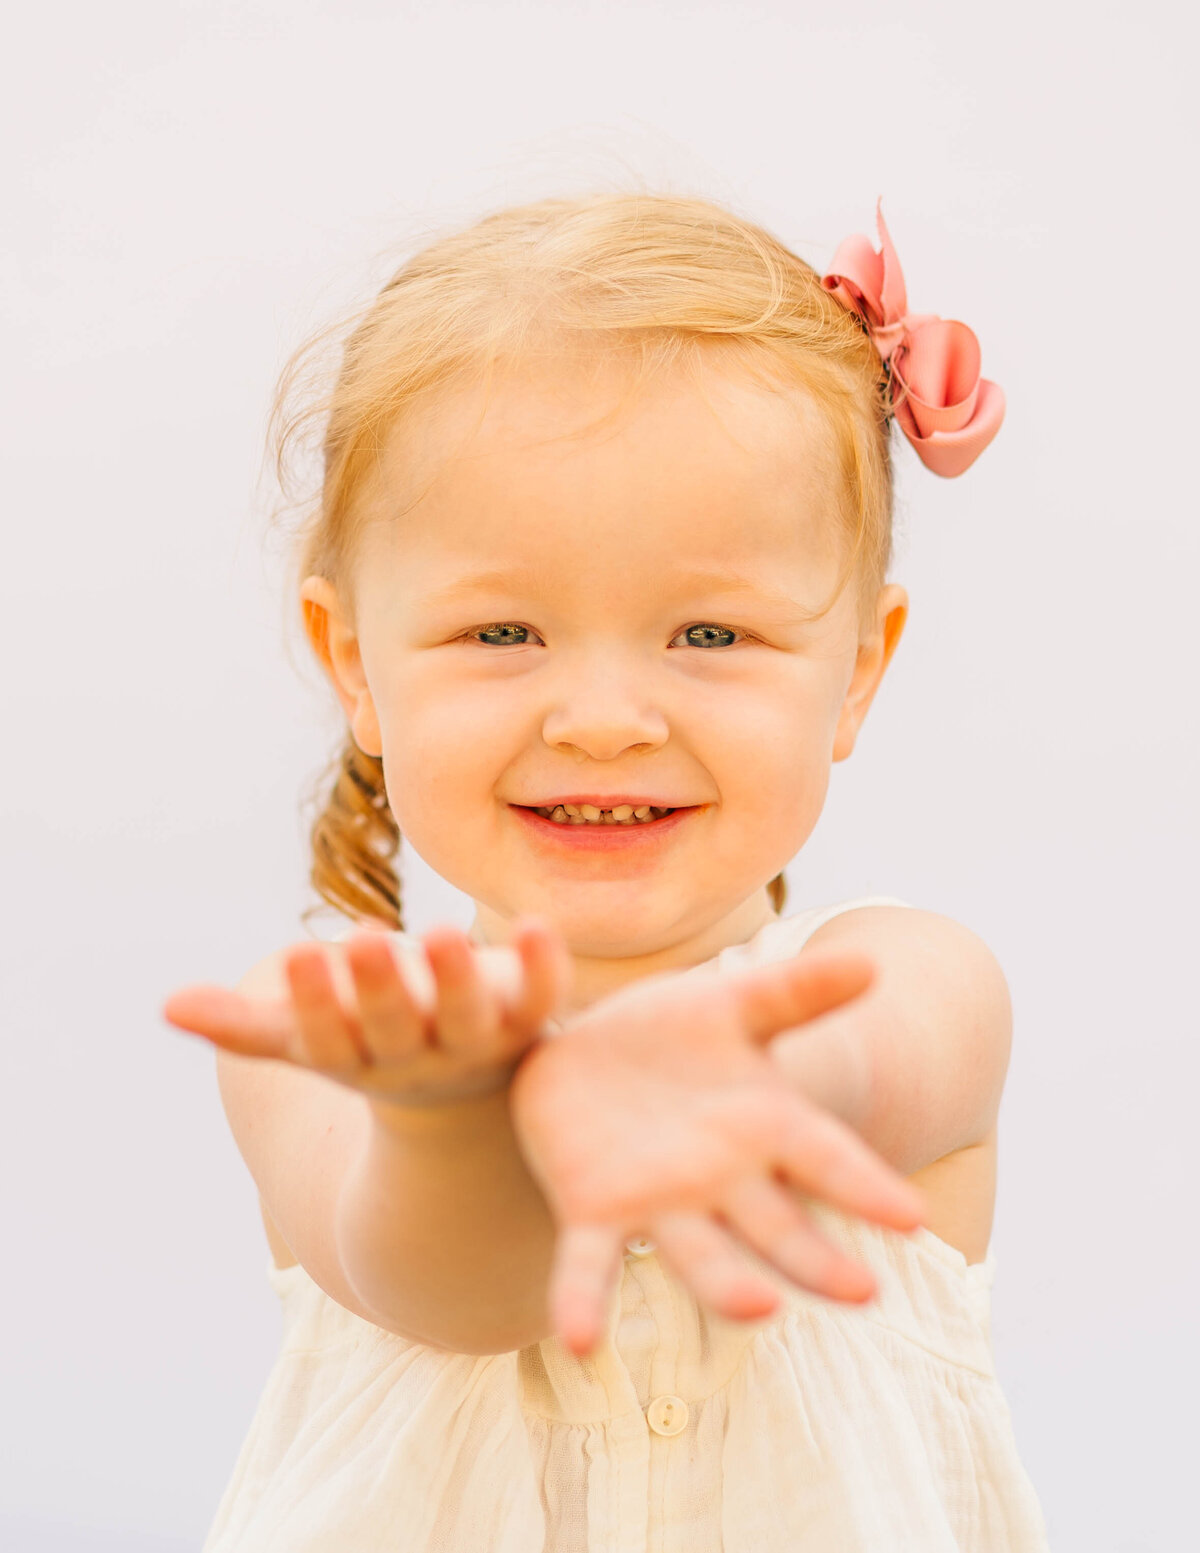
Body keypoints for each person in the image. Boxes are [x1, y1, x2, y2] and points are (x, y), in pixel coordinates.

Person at [162, 193, 1051, 1550]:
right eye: (503, 628)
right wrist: (458, 1120)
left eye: (708, 631)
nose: (603, 716)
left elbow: (878, 1066)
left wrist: (735, 1084)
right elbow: (460, 1283)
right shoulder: (332, 1041)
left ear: (857, 670)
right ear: (355, 663)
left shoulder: (903, 984)